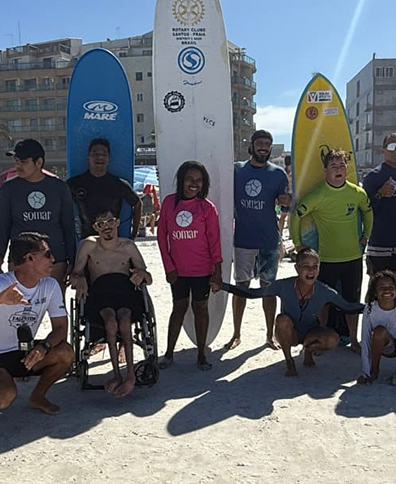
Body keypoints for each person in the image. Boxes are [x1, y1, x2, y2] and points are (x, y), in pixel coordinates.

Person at [0, 232, 74, 423]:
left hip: (22, 352)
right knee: (3, 398)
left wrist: (43, 347)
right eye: (47, 254)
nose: (53, 259)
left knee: (65, 353)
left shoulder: (51, 285)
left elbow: (61, 328)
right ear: (29, 258)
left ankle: (37, 397)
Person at [222, 247, 363, 377]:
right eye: (306, 267)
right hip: (289, 333)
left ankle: (308, 350)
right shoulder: (283, 285)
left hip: (311, 334)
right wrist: (223, 286)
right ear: (296, 268)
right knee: (282, 320)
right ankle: (289, 361)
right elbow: (253, 293)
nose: (311, 271)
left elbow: (349, 307)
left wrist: (375, 305)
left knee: (333, 339)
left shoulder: (325, 291)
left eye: (315, 267)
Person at [290, 149, 372, 351]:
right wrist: (298, 243)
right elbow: (296, 216)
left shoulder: (357, 192)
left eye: (342, 165)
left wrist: (366, 235)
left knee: (352, 302)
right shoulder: (318, 195)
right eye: (333, 166)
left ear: (347, 168)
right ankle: (322, 337)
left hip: (353, 258)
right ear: (325, 170)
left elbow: (368, 212)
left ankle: (353, 340)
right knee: (322, 302)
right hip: (326, 259)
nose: (338, 169)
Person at [71, 208, 152, 396]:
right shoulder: (89, 245)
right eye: (101, 224)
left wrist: (141, 274)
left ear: (117, 223)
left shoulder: (128, 246)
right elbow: (75, 275)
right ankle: (117, 375)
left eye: (109, 222)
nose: (106, 227)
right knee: (110, 322)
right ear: (95, 228)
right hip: (100, 292)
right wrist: (80, 278)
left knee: (124, 321)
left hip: (124, 290)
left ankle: (130, 374)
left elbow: (147, 277)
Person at [226, 129, 291, 351]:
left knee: (268, 289)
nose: (263, 146)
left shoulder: (278, 174)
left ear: (270, 148)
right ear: (251, 146)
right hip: (243, 240)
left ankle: (269, 335)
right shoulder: (236, 170)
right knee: (240, 288)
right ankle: (236, 334)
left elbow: (285, 206)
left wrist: (287, 201)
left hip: (269, 241)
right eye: (259, 143)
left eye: (267, 143)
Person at [157, 160, 222, 371]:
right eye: (189, 179)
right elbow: (161, 236)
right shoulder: (168, 203)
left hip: (202, 270)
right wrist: (169, 267)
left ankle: (202, 355)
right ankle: (168, 354)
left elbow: (214, 241)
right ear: (181, 181)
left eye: (198, 180)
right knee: (179, 308)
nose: (194, 184)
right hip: (178, 271)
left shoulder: (207, 208)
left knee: (200, 309)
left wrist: (217, 271)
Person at [0, 139, 75, 290]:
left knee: (56, 306)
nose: (18, 166)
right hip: (20, 259)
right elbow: (2, 228)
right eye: (16, 161)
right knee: (19, 309)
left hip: (54, 258)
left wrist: (73, 262)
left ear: (39, 162)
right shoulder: (8, 188)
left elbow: (68, 226)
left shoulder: (59, 187)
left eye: (23, 162)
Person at [361, 132, 396, 299]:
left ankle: (395, 319)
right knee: (376, 283)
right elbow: (364, 208)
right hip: (380, 239)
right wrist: (380, 194)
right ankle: (372, 317)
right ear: (383, 150)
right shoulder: (373, 176)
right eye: (392, 147)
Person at [67, 138, 141, 239]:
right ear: (88, 158)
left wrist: (134, 234)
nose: (100, 157)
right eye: (95, 154)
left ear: (109, 158)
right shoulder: (75, 183)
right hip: (87, 241)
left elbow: (137, 203)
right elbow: (60, 204)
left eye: (104, 154)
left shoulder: (118, 184)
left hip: (112, 242)